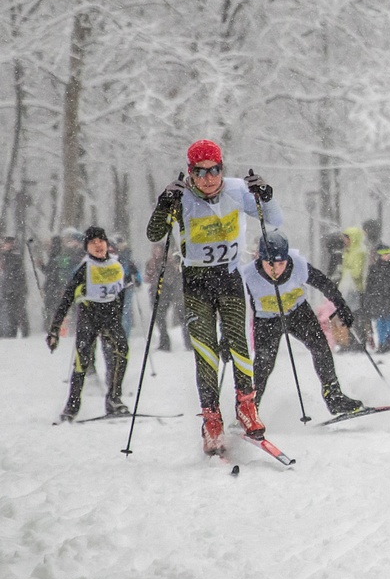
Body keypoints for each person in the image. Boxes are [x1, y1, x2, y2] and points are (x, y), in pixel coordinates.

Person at [146, 139, 281, 454]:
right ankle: (211, 421)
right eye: (200, 171)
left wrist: (266, 195)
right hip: (196, 283)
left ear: (222, 169)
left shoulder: (237, 190)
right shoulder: (181, 198)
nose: (208, 178)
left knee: (239, 345)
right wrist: (163, 204)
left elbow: (274, 220)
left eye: (214, 170)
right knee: (206, 354)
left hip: (229, 278)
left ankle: (246, 408)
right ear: (190, 172)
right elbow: (154, 234)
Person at [241, 231, 363, 415]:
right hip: (266, 320)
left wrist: (341, 306)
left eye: (281, 263)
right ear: (260, 258)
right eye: (270, 264)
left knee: (320, 347)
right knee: (263, 364)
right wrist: (227, 337)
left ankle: (334, 396)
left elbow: (324, 284)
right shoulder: (248, 275)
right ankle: (250, 409)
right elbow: (233, 306)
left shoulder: (297, 265)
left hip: (298, 313)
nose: (276, 269)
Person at [45, 227, 130, 421]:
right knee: (81, 362)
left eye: (101, 241)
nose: (98, 245)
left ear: (107, 244)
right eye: (93, 243)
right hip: (89, 318)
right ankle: (72, 407)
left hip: (110, 318)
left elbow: (121, 293)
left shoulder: (117, 266)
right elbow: (66, 299)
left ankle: (114, 400)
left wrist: (117, 315)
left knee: (122, 351)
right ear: (87, 248)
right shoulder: (84, 269)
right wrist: (54, 330)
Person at [363, 240, 390, 354]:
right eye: (384, 254)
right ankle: (382, 343)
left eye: (388, 254)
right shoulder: (374, 269)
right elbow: (370, 286)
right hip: (379, 299)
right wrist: (370, 297)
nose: (387, 256)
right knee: (380, 322)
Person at [0, 236, 28, 337]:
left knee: (18, 311)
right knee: (10, 312)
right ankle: (11, 332)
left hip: (14, 288)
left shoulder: (15, 256)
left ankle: (22, 331)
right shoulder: (5, 255)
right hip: (8, 288)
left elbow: (16, 273)